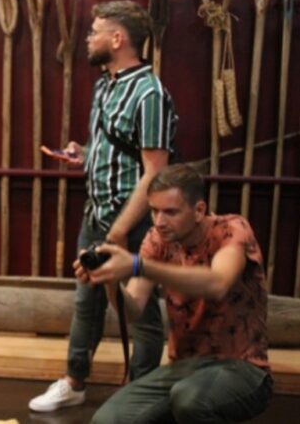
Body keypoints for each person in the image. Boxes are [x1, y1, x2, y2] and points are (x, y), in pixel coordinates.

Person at [29, 0, 177, 412]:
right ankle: (74, 381)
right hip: (96, 215)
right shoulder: (104, 86)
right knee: (87, 301)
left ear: (117, 38)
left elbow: (155, 172)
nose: (88, 38)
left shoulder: (150, 93)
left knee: (139, 314)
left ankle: (140, 394)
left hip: (133, 223)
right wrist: (84, 152)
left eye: (95, 31)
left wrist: (119, 230)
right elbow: (115, 146)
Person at [82, 164, 272, 423]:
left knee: (190, 400)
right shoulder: (157, 240)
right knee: (108, 420)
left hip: (242, 367)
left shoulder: (231, 229)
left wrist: (138, 265)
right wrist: (110, 279)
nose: (159, 222)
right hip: (184, 368)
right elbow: (133, 310)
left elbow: (217, 283)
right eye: (154, 211)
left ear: (199, 210)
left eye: (170, 212)